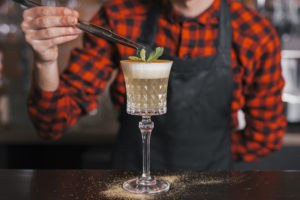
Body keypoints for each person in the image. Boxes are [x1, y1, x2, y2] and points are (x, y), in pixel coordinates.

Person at [21, 0, 287, 170]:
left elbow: (265, 136)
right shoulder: (118, 16)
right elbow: (51, 125)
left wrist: (209, 157)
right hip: (130, 181)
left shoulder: (255, 33)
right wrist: (44, 61)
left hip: (215, 185)